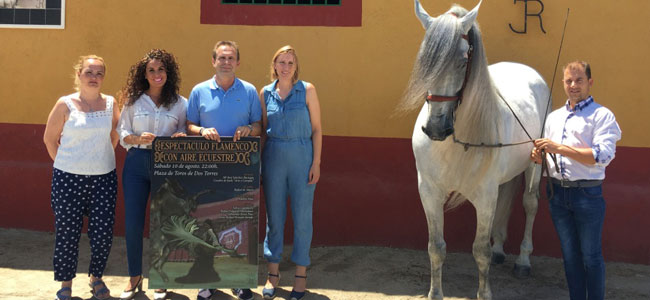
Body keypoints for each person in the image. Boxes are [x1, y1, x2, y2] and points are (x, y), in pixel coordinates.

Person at [531, 61, 621, 300]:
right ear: (563, 83)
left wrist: (557, 148)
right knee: (570, 257)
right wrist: (540, 156)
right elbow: (549, 158)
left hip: (587, 196)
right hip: (558, 195)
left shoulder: (601, 115)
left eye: (579, 80)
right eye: (569, 80)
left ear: (590, 82)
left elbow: (601, 156)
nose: (573, 85)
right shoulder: (553, 118)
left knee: (591, 256)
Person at [186, 40, 262, 300]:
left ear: (238, 62)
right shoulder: (199, 91)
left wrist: (249, 130)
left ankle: (238, 280)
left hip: (239, 169)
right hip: (207, 168)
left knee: (238, 222)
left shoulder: (250, 91)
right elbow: (189, 125)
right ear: (213, 61)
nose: (226, 62)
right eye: (221, 58)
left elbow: (259, 126)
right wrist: (201, 130)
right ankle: (206, 280)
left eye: (231, 58)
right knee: (206, 222)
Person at [43, 55, 119, 300]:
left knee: (103, 233)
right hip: (68, 180)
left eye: (99, 73)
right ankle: (65, 285)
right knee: (67, 233)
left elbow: (114, 137)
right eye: (89, 72)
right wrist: (67, 164)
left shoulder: (110, 103)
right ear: (78, 74)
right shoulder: (65, 104)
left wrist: (97, 160)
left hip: (103, 179)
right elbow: (49, 139)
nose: (94, 77)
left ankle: (96, 278)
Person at [117, 49, 187, 300]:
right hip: (136, 163)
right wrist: (136, 138)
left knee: (164, 224)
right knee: (134, 223)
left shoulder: (180, 102)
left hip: (165, 164)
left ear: (168, 72)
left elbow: (183, 130)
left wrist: (179, 138)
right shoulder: (133, 101)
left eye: (161, 69)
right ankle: (134, 277)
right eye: (151, 70)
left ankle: (160, 278)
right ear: (143, 74)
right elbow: (122, 130)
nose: (157, 74)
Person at [259, 45, 322, 300]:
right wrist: (260, 165)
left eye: (290, 63)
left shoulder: (307, 90)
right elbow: (263, 130)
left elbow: (317, 129)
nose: (285, 67)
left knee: (302, 218)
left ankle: (300, 274)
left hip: (302, 157)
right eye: (281, 62)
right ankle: (272, 274)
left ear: (296, 67)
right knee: (274, 218)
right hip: (274, 157)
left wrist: (316, 163)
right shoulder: (264, 93)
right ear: (274, 65)